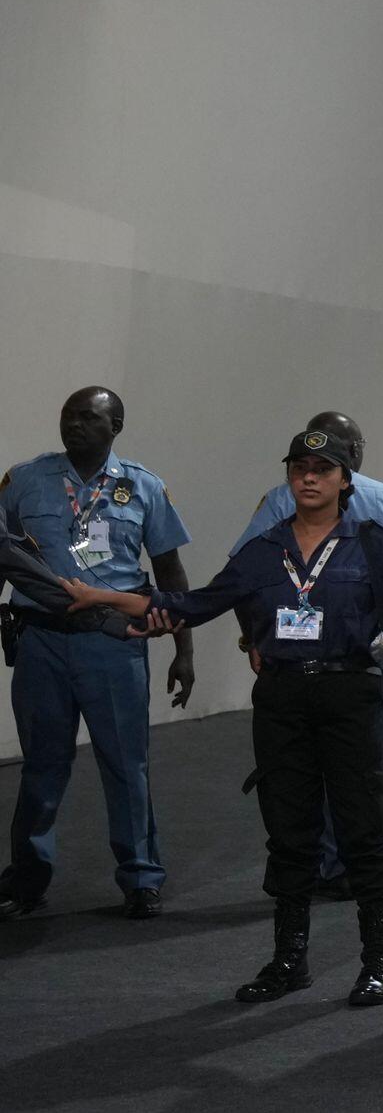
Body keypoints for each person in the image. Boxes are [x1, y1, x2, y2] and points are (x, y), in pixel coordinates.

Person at [65, 430, 383, 1005]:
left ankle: (378, 961)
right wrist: (107, 597)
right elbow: (195, 604)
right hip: (283, 701)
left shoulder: (373, 543)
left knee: (364, 830)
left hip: (350, 697)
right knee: (289, 832)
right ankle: (289, 961)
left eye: (322, 468)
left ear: (345, 480)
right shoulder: (264, 549)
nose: (308, 477)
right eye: (299, 467)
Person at [0, 386, 195, 922]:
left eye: (89, 417)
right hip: (41, 642)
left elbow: (170, 572)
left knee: (125, 763)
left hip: (112, 644)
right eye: (69, 415)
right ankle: (27, 879)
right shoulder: (24, 480)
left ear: (116, 427)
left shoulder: (144, 486)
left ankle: (141, 878)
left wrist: (184, 650)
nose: (75, 424)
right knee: (41, 765)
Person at [231, 411, 383, 897]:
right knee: (368, 750)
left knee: (325, 757)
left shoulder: (287, 498)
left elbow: (242, 572)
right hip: (361, 650)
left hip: (325, 652)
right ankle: (377, 852)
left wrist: (253, 638)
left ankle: (342, 856)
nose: (312, 475)